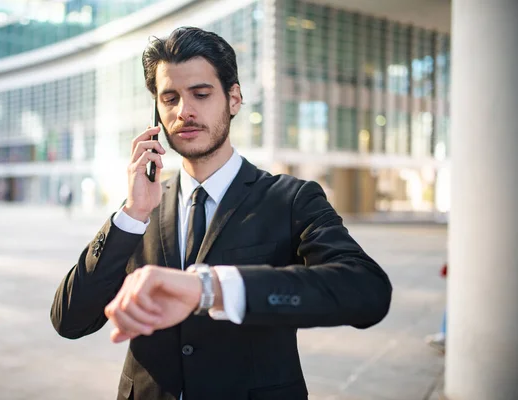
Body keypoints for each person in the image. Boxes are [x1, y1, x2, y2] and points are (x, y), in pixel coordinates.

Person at [50, 27, 392, 400]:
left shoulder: (291, 199)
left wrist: (210, 289)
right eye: (170, 98)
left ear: (234, 98)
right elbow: (70, 320)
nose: (184, 112)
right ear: (156, 113)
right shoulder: (141, 209)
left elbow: (366, 290)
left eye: (200, 94)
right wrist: (131, 213)